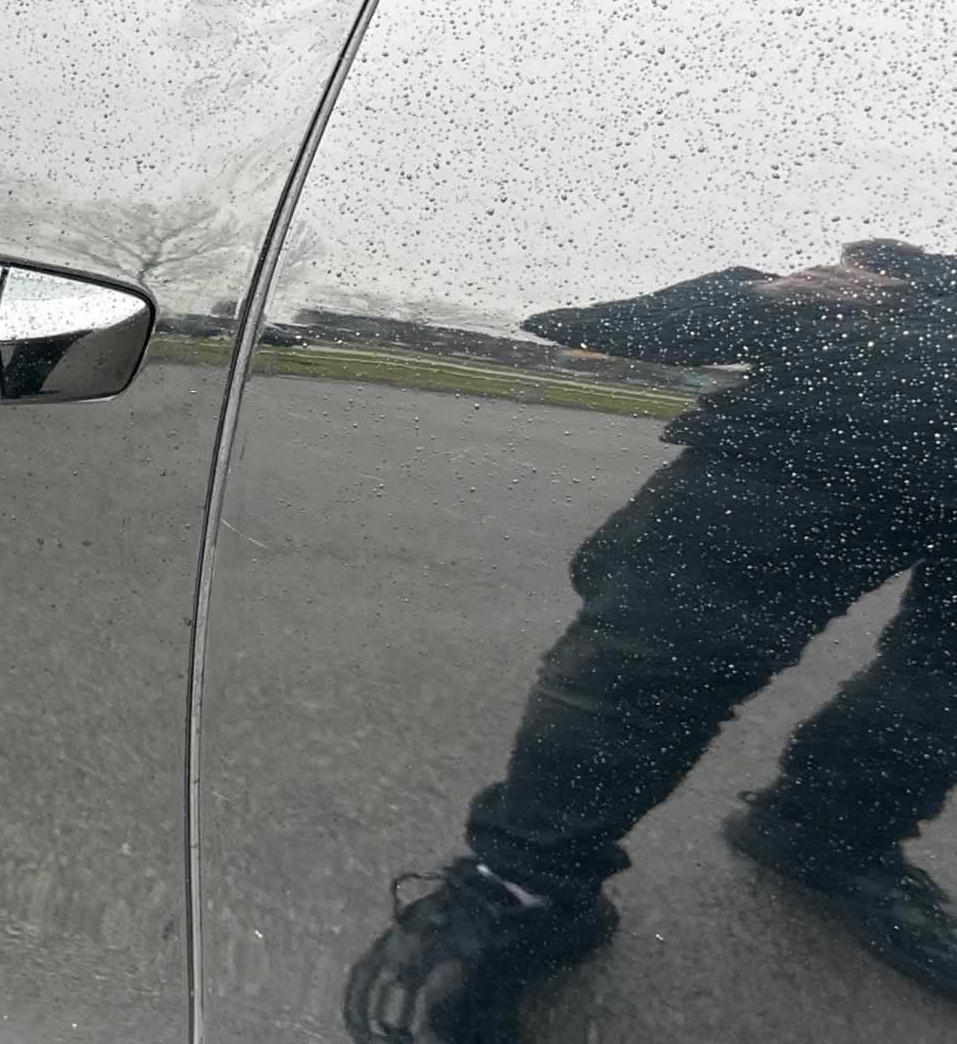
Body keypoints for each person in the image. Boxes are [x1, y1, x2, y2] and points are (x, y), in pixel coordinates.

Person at [345, 240, 957, 1044]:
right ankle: (524, 883)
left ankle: (827, 833)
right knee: (660, 652)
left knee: (942, 691)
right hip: (861, 410)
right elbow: (586, 324)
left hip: (884, 386)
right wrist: (767, 296)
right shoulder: (895, 298)